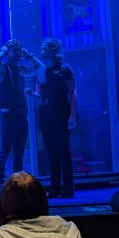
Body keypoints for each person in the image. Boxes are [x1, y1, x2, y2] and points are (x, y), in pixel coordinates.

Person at [0, 38, 42, 194]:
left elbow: (40, 67)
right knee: (4, 152)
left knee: (19, 154)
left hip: (21, 117)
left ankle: (16, 187)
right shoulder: (4, 70)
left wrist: (29, 55)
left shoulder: (21, 70)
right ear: (8, 52)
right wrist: (5, 50)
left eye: (20, 50)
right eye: (15, 50)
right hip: (8, 117)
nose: (19, 53)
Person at [34, 37, 77, 198]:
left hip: (60, 109)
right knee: (50, 150)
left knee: (62, 149)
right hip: (45, 111)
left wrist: (73, 114)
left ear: (54, 50)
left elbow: (72, 93)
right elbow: (39, 93)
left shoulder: (65, 68)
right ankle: (54, 188)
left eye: (46, 48)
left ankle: (68, 187)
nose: (42, 50)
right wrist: (33, 94)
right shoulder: (41, 70)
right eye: (42, 48)